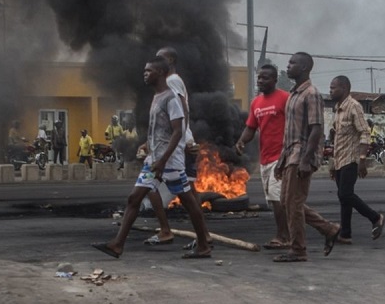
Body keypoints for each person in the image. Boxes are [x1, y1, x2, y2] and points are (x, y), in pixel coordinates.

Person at [91, 56, 212, 259]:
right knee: (134, 198)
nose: (145, 74)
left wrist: (164, 160)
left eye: (149, 71)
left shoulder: (171, 98)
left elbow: (177, 131)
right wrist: (148, 146)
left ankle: (203, 245)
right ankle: (117, 245)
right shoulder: (156, 97)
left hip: (170, 163)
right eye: (144, 70)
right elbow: (159, 130)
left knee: (189, 202)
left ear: (162, 73)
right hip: (154, 162)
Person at [272, 52, 340, 262]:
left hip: (301, 155)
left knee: (293, 202)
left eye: (292, 63)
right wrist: (281, 161)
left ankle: (298, 249)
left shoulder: (311, 94)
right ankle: (328, 229)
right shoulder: (293, 94)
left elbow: (316, 129)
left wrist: (305, 159)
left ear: (304, 68)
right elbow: (289, 133)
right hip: (290, 154)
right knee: (287, 202)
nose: (288, 65)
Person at [143, 47, 201, 248]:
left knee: (189, 195)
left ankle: (202, 238)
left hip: (178, 146)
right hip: (173, 144)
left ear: (168, 61)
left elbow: (181, 109)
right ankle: (197, 236)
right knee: (152, 188)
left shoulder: (172, 81)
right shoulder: (167, 85)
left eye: (159, 59)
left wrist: (184, 140)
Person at [235, 64, 291, 250]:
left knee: (277, 198)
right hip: (265, 158)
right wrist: (241, 141)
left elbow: (295, 125)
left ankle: (284, 236)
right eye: (259, 77)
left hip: (281, 157)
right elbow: (251, 127)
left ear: (275, 80)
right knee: (273, 199)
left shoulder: (285, 98)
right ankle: (327, 228)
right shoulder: (256, 103)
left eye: (265, 78)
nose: (260, 81)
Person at [328, 75, 385, 245]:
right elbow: (337, 138)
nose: (330, 91)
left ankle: (376, 217)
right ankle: (345, 234)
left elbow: (365, 132)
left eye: (333, 88)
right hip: (340, 158)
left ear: (344, 88)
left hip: (351, 159)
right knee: (343, 198)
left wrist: (362, 159)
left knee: (345, 194)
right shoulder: (338, 108)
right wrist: (333, 163)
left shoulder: (354, 107)